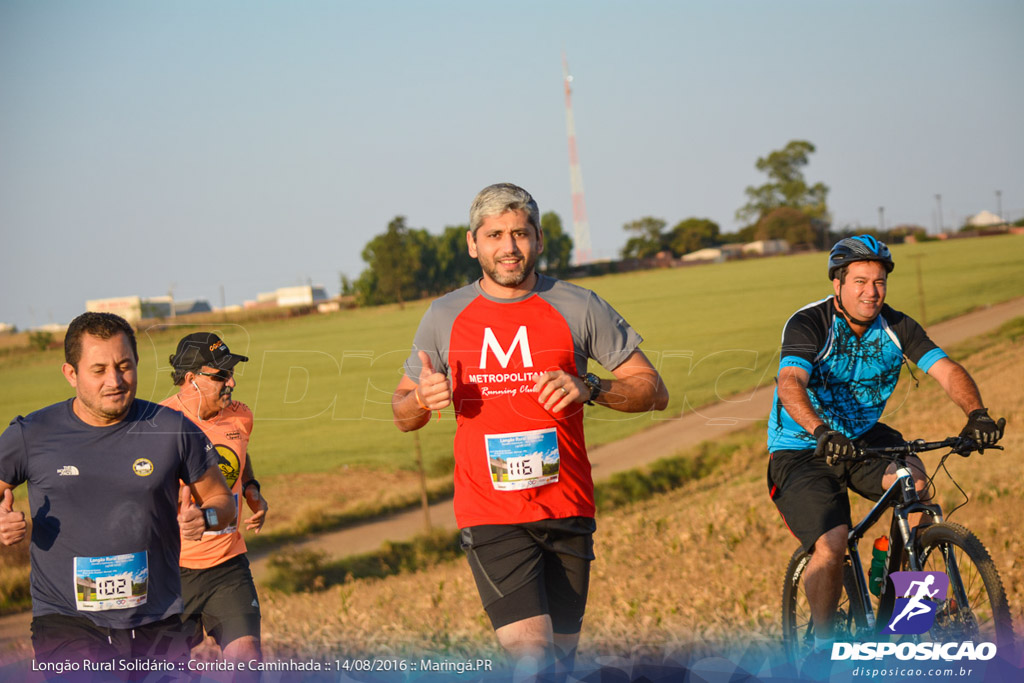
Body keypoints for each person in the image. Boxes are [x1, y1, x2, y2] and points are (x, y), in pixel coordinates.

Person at [391, 183, 669, 680]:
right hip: (490, 511)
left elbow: (652, 389)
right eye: (494, 234)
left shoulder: (580, 306)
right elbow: (401, 410)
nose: (509, 246)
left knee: (560, 662)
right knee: (532, 655)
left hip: (569, 505)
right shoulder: (445, 315)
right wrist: (421, 399)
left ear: (540, 239)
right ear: (472, 243)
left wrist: (591, 387)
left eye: (520, 233)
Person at [766, 235, 1004, 665]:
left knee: (915, 487)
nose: (870, 292)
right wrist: (821, 430)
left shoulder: (897, 327)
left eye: (878, 282)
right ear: (837, 284)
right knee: (833, 541)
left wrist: (977, 414)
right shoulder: (810, 323)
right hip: (802, 447)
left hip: (861, 437)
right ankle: (823, 651)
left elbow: (946, 369)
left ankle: (899, 599)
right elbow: (790, 384)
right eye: (860, 281)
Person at [0, 312, 236, 669]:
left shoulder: (173, 430)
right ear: (70, 373)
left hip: (158, 621)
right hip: (67, 623)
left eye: (124, 366)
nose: (115, 380)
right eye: (98, 370)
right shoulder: (32, 434)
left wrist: (206, 518)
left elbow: (224, 505)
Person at [160, 332, 268, 672]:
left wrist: (250, 486)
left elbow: (240, 454)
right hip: (169, 572)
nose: (231, 382)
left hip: (226, 564)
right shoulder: (156, 424)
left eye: (231, 373)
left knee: (247, 660)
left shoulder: (240, 416)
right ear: (191, 380)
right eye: (220, 375)